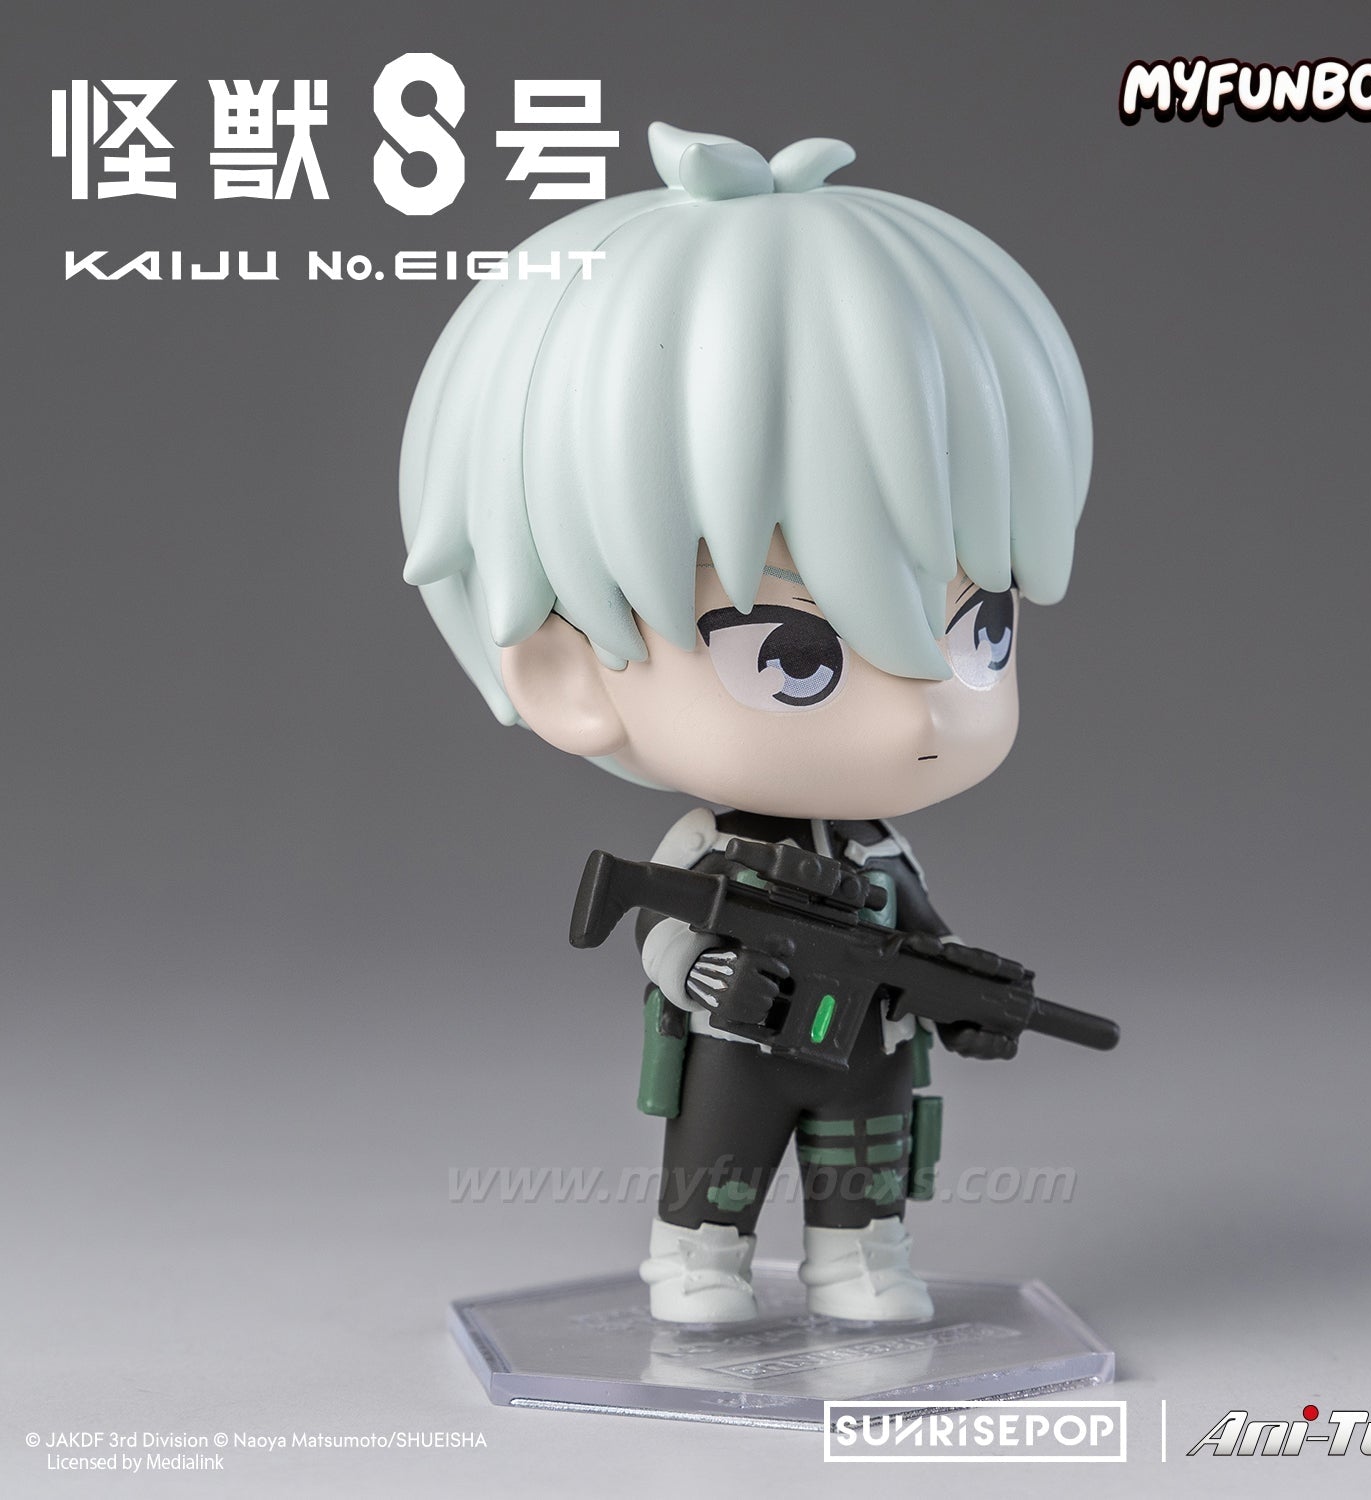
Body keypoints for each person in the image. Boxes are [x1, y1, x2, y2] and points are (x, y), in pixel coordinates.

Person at [399, 120, 1091, 1323]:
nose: (924, 703)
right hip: (742, 1046)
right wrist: (699, 966)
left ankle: (861, 1261)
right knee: (716, 1162)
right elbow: (662, 931)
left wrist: (961, 1001)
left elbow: (923, 943)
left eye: (982, 626)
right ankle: (696, 1260)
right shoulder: (712, 854)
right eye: (795, 654)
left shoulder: (883, 855)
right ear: (566, 673)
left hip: (866, 1052)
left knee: (867, 1169)